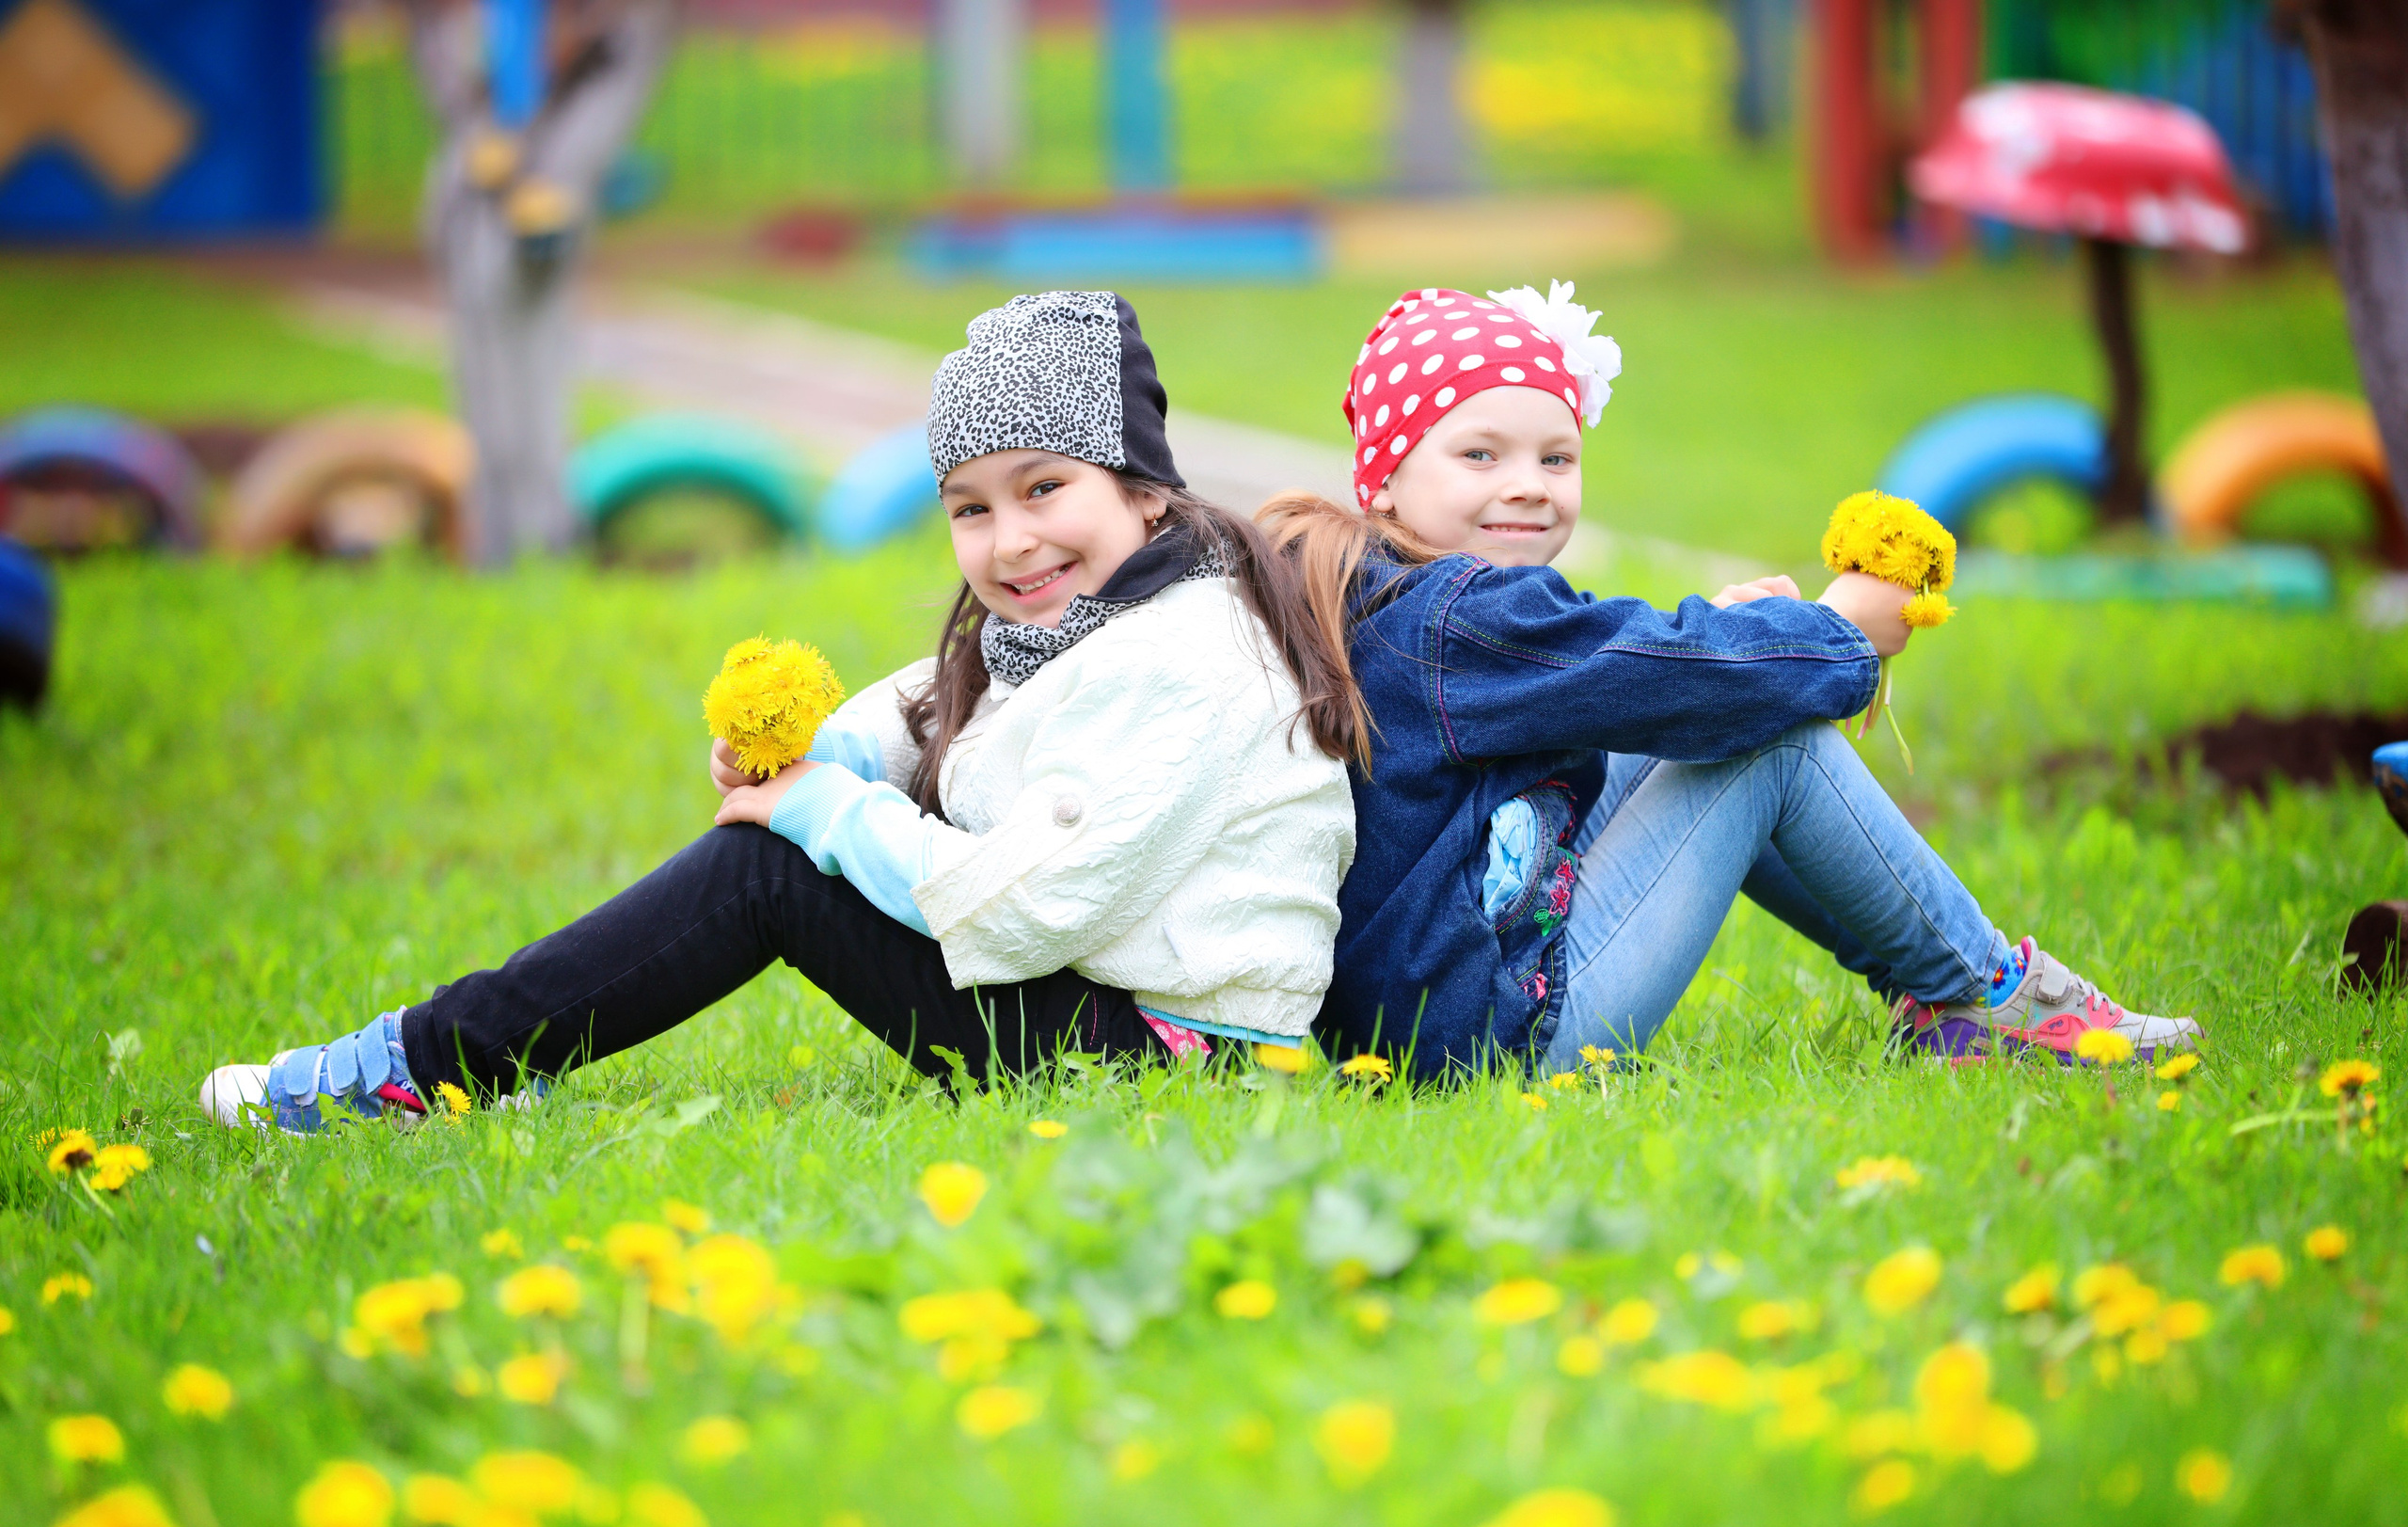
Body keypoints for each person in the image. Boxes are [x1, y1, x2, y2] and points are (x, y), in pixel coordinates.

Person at [201, 292, 1358, 1131]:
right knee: (782, 845)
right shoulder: (1098, 611)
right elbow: (933, 709)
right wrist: (816, 754)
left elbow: (1025, 910)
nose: (1009, 541)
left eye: (1044, 487)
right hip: (1121, 1024)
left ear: (1145, 492)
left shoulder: (1182, 659)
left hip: (1175, 1072)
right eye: (969, 507)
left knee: (770, 872)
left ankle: (429, 1063)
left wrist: (818, 811)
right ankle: (481, 1051)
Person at [1262, 282, 2198, 1077]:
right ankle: (1983, 994)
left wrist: (1738, 643)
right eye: (1481, 454)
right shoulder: (1459, 618)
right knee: (1768, 742)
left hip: (1431, 1010)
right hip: (1494, 1041)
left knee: (1726, 702)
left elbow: (1625, 674)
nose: (1530, 484)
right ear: (1383, 479)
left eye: (1556, 457)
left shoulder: (1398, 600)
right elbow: (1658, 672)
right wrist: (1833, 633)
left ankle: (1941, 996)